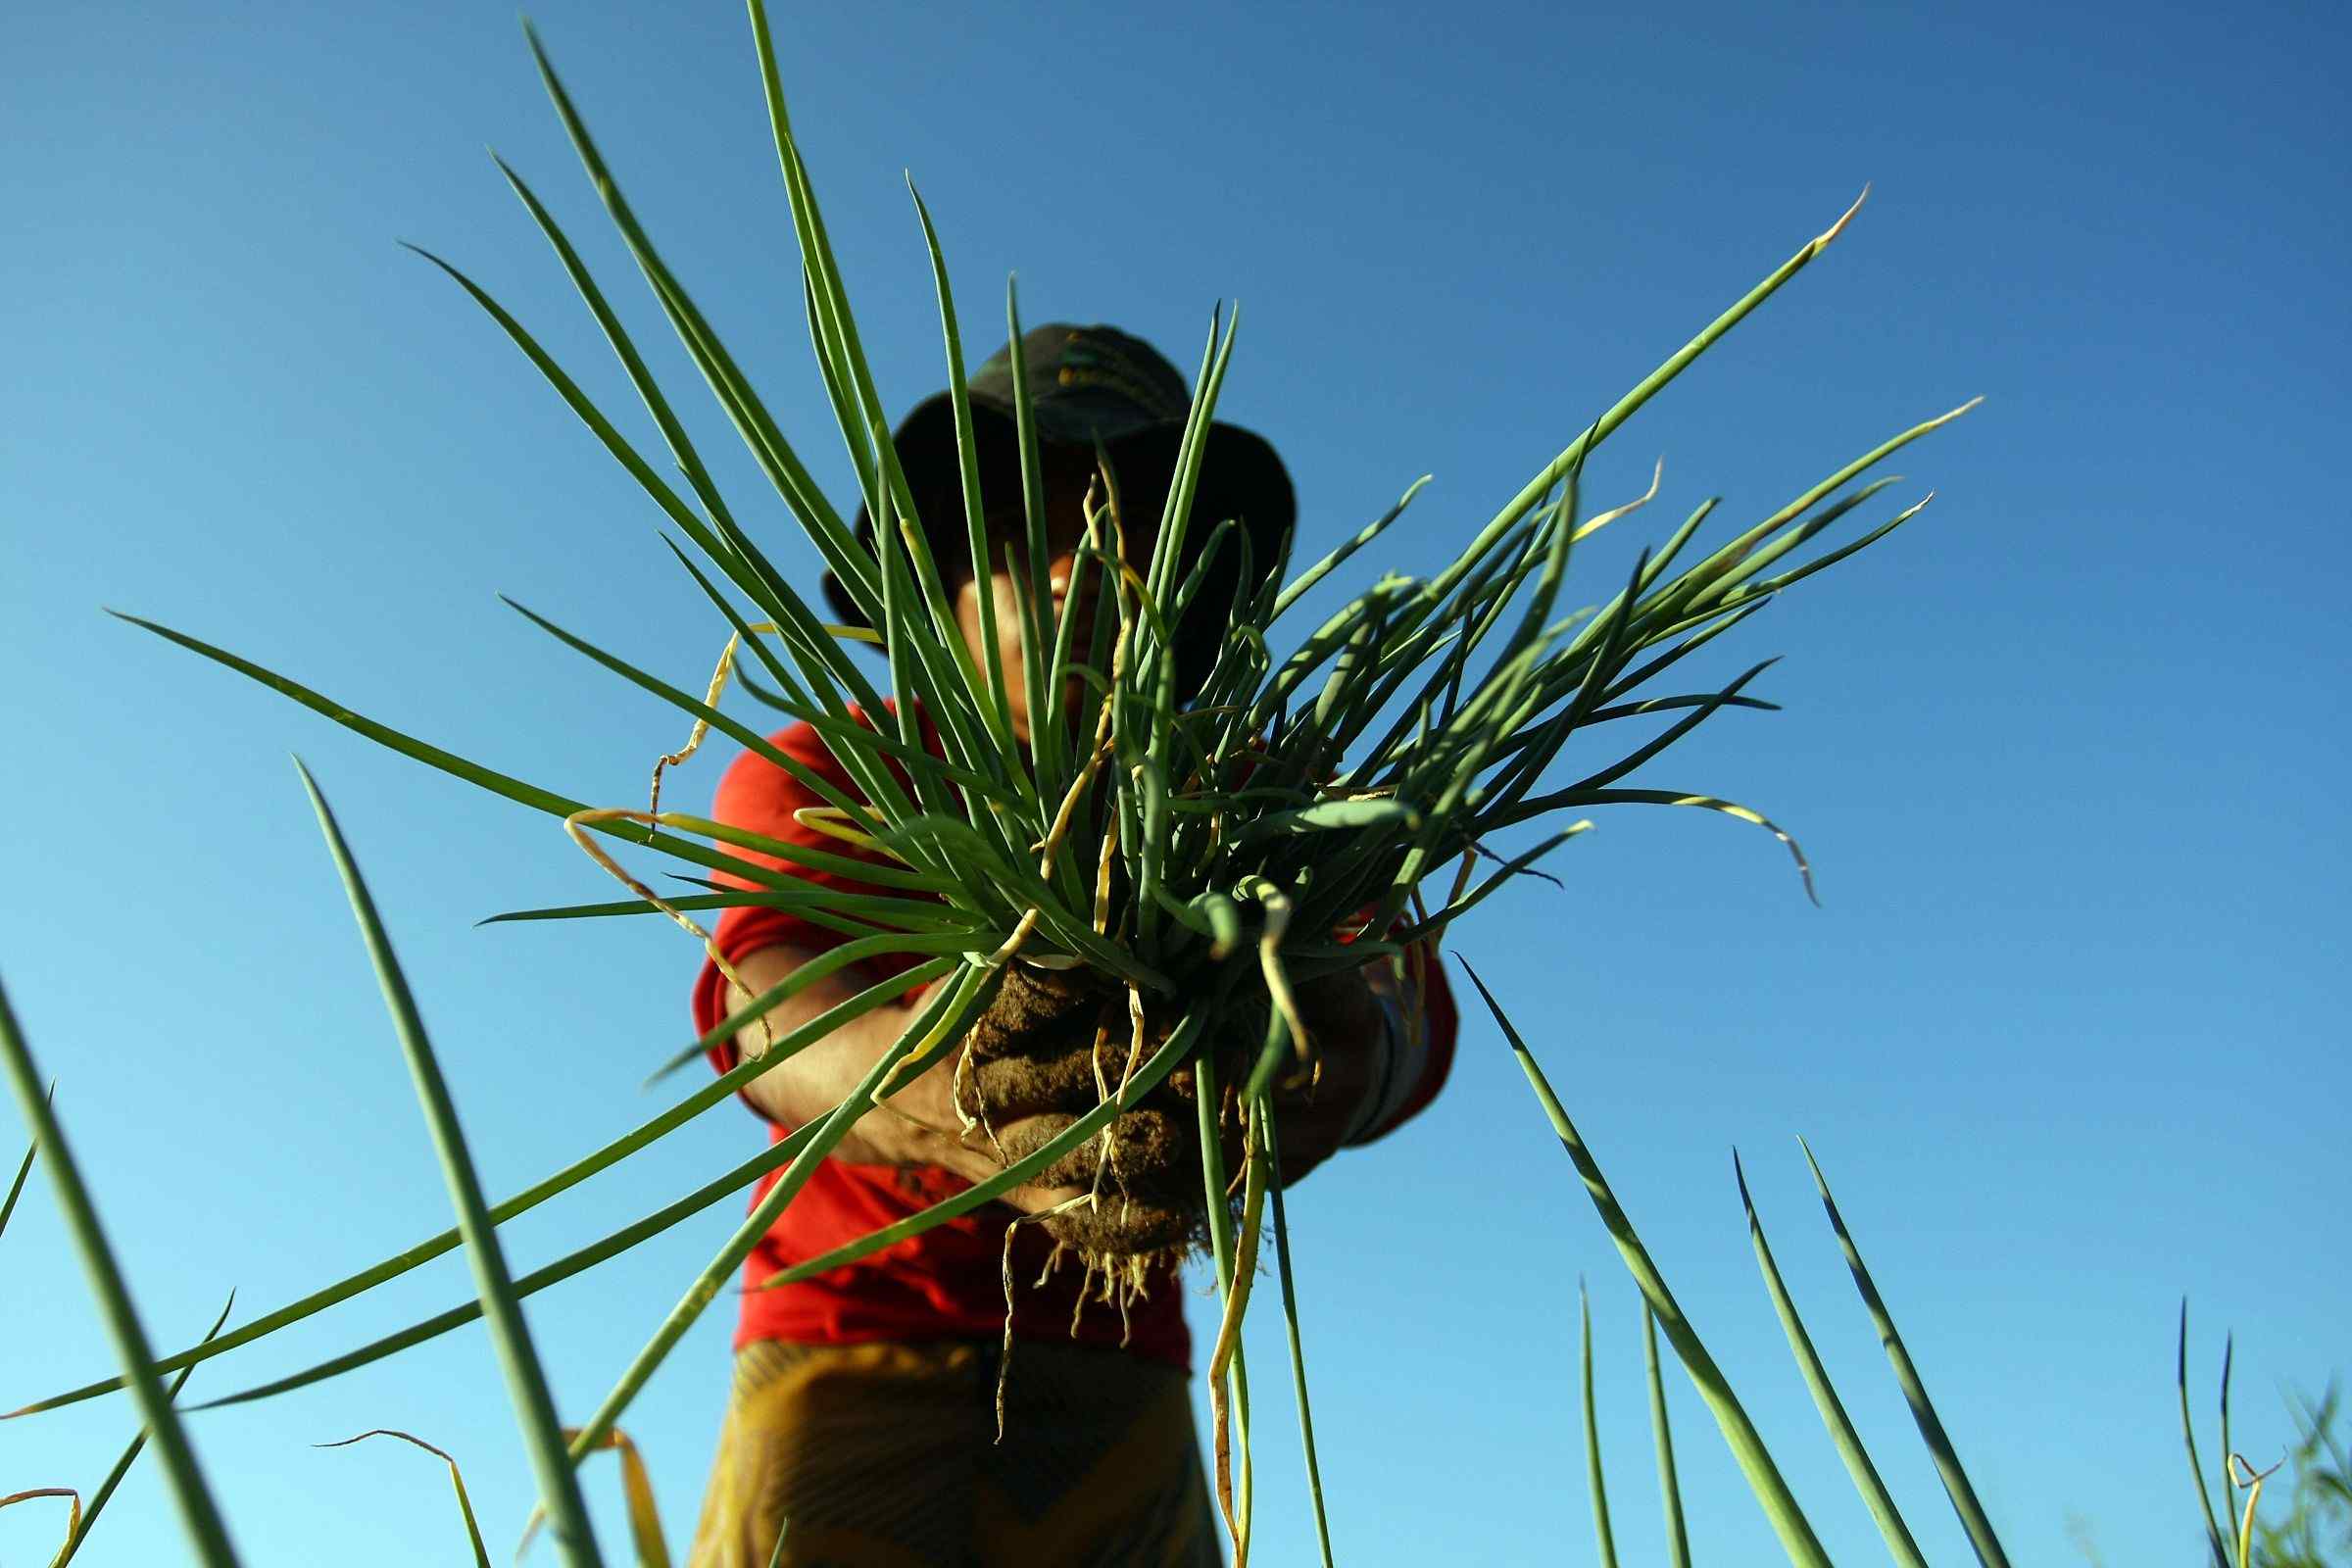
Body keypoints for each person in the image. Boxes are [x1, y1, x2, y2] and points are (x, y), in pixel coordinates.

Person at [685, 324, 1458, 1567]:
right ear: (935, 574)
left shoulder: (1261, 802)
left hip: (1118, 1371)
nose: (1074, 567)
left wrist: (1339, 1054)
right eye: (1026, 522)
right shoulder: (838, 771)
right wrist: (955, 1086)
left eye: (1130, 529)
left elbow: (1401, 999)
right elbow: (762, 1005)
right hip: (847, 1338)